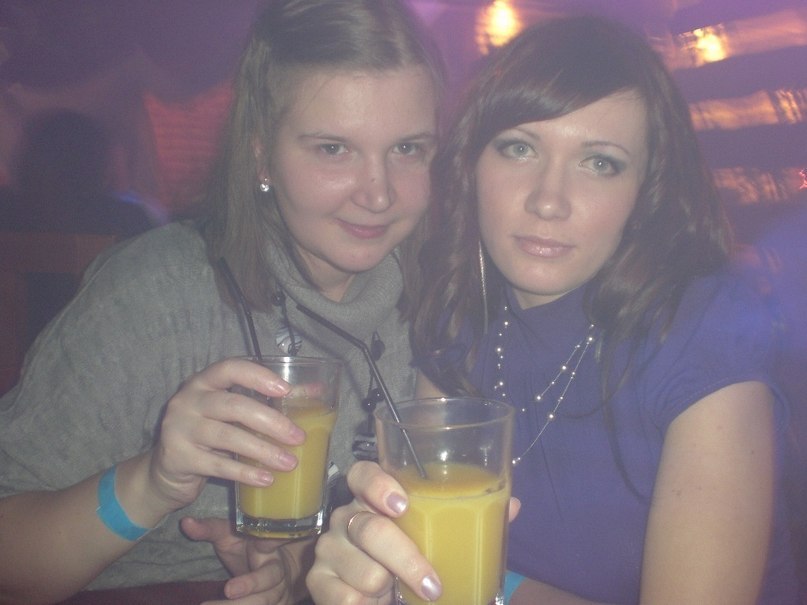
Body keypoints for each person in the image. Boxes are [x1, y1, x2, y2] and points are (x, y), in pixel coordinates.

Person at [307, 15, 800, 605]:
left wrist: (481, 590)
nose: (548, 200)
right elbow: (427, 563)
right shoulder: (458, 318)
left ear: (645, 192)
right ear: (469, 165)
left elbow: (452, 584)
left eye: (600, 163)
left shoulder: (701, 332)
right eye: (519, 148)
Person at [0, 1, 443, 604]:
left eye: (408, 149)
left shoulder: (446, 305)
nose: (379, 193)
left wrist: (293, 572)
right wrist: (151, 482)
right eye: (333, 149)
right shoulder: (157, 295)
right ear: (261, 153)